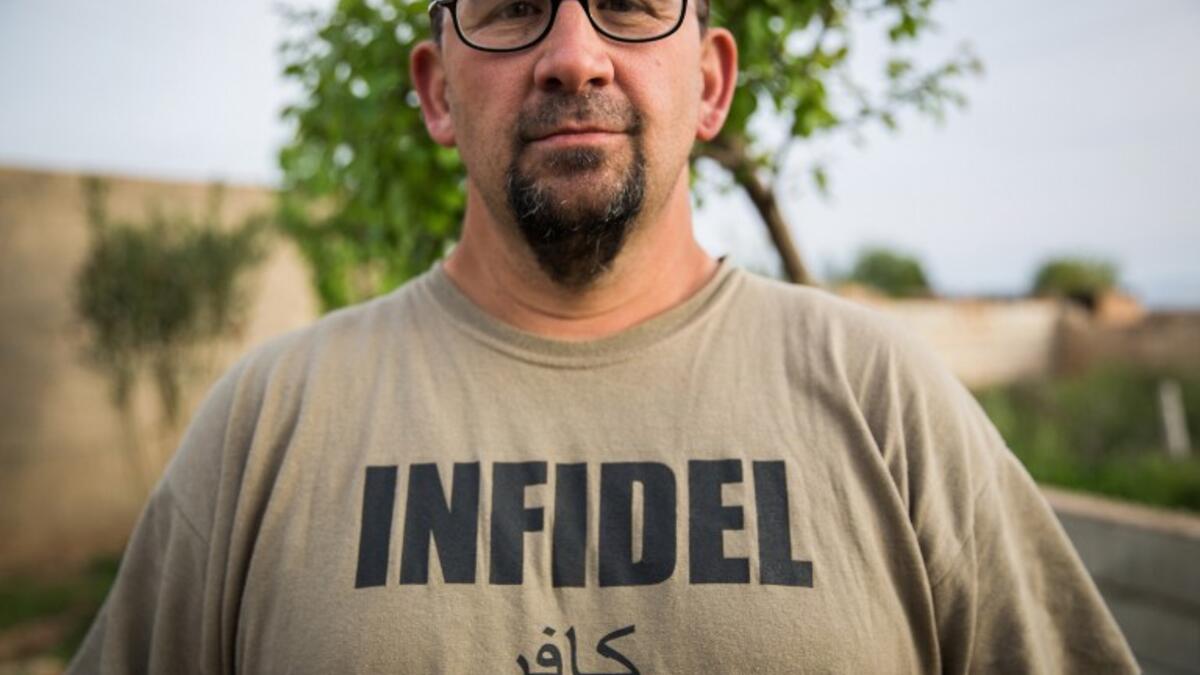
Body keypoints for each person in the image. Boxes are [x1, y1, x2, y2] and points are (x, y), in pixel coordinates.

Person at [69, 0, 1139, 672]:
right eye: (513, 7)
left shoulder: (885, 398)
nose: (573, 57)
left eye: (629, 6)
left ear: (710, 83)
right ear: (439, 92)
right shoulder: (268, 424)